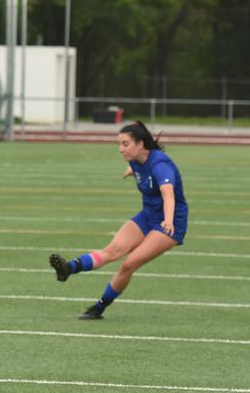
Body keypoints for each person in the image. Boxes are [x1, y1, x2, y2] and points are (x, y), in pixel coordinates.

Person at [50, 121, 188, 320]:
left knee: (128, 264)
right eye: (119, 144)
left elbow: (169, 196)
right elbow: (142, 171)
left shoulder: (160, 164)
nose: (120, 149)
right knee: (112, 250)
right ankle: (68, 268)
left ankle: (99, 308)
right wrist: (132, 171)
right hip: (148, 216)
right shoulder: (135, 160)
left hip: (170, 223)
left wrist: (168, 220)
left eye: (125, 144)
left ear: (140, 144)